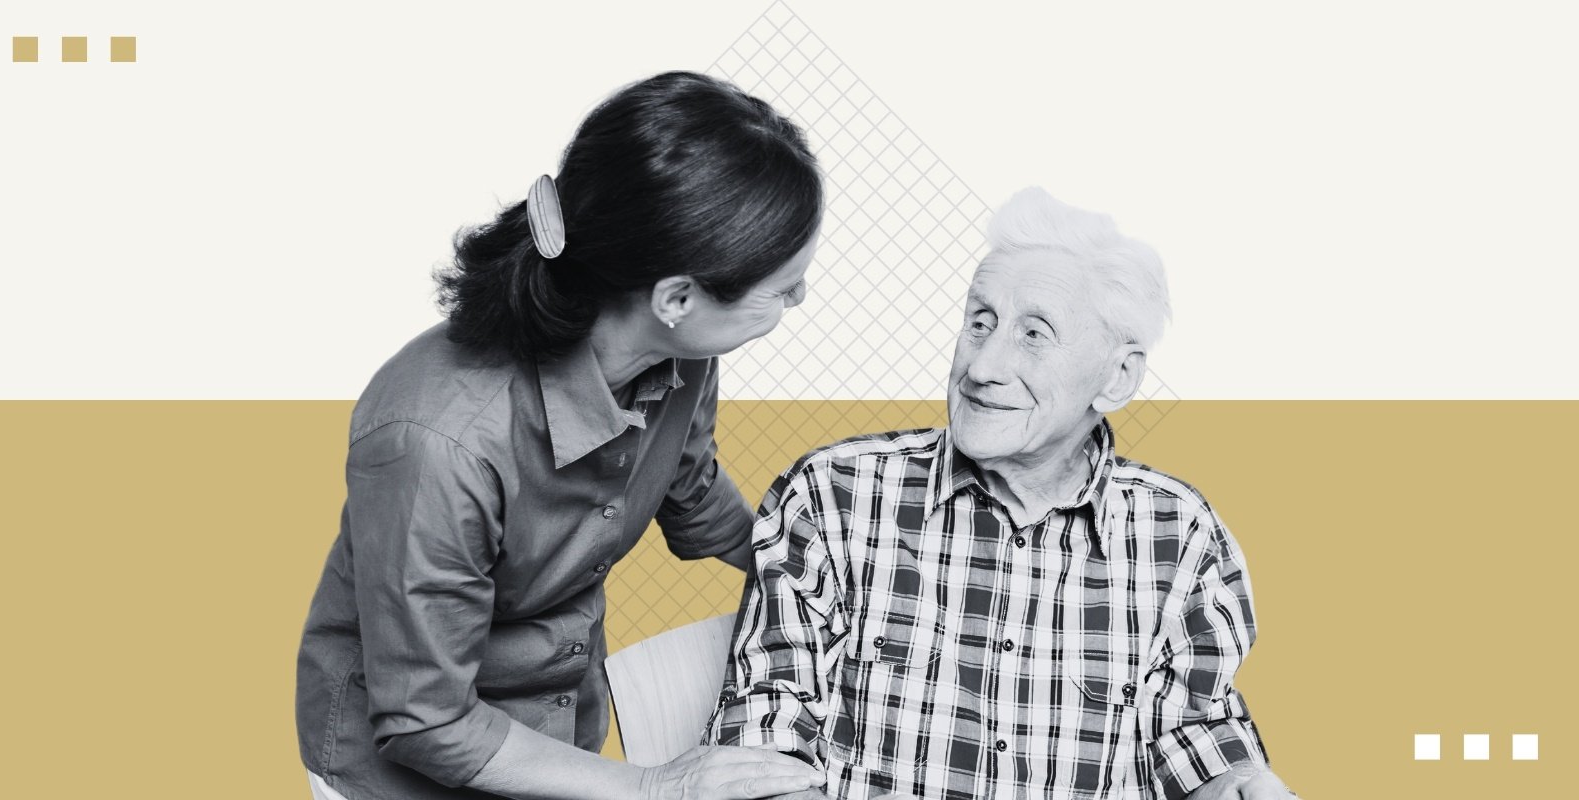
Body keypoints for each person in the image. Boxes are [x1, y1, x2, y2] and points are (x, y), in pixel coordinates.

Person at [297, 71, 831, 800]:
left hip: (560, 722)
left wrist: (815, 572)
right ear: (676, 297)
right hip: (405, 765)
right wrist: (654, 787)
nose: (799, 298)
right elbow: (425, 723)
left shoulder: (682, 354)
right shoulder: (438, 442)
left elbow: (689, 484)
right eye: (783, 286)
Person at [706, 188, 1296, 800]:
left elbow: (1193, 729)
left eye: (1033, 335)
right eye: (979, 323)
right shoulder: (834, 496)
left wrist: (1239, 784)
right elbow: (765, 733)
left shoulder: (1181, 535)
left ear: (1117, 377)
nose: (983, 366)